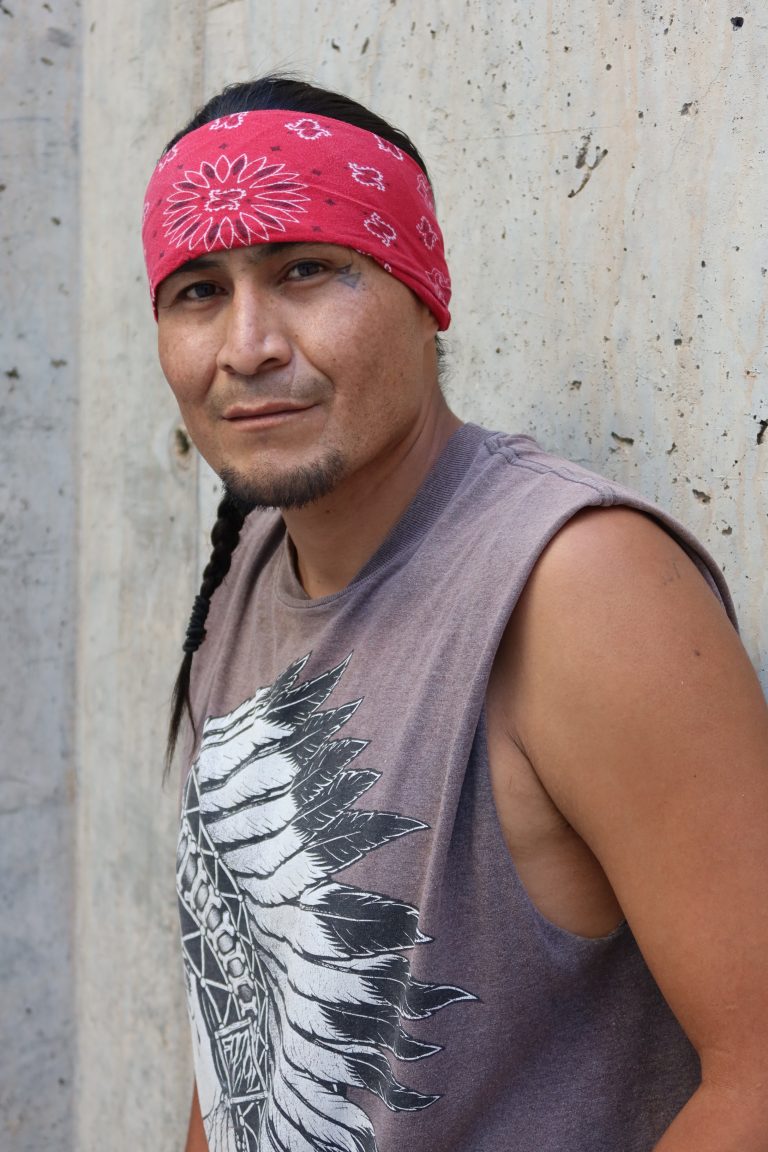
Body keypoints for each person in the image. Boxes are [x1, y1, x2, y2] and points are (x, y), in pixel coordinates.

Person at [142, 76, 768, 1152]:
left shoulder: (575, 586)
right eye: (199, 290)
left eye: (305, 270)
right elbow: (241, 1048)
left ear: (425, 290)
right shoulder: (250, 569)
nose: (247, 345)